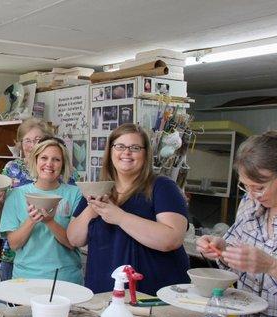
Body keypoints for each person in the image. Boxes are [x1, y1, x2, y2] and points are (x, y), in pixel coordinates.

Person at [67, 123, 189, 295]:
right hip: (104, 292)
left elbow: (172, 239)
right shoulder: (98, 188)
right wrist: (93, 208)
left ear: (146, 153)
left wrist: (120, 217)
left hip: (152, 294)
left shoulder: (162, 187)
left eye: (135, 147)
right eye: (120, 146)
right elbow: (74, 239)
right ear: (110, 152)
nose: (126, 152)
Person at [196, 130, 277, 317]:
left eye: (259, 187)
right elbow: (235, 251)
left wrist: (273, 265)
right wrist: (222, 250)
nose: (252, 195)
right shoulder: (250, 203)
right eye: (245, 186)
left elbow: (267, 264)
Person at [0, 118, 77, 278]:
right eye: (28, 140)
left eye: (38, 140)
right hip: (21, 260)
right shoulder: (13, 174)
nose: (49, 164)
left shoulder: (73, 189)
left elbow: (75, 240)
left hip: (63, 270)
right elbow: (5, 226)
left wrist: (50, 221)